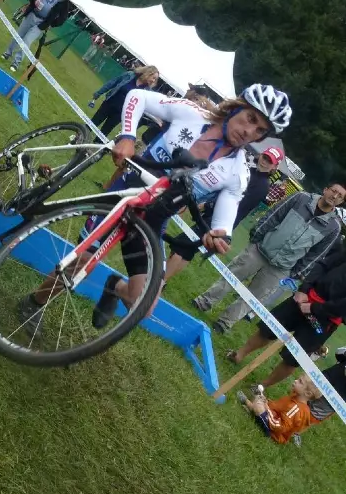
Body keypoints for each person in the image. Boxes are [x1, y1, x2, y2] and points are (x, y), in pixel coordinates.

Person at [17, 85, 292, 332]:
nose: (249, 131)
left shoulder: (238, 171)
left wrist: (219, 233)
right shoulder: (192, 113)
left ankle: (116, 288)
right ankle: (33, 303)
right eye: (250, 118)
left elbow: (228, 206)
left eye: (259, 131)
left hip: (152, 221)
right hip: (125, 194)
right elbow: (138, 97)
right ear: (237, 107)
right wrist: (127, 135)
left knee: (144, 307)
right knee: (83, 260)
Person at [192, 182, 344, 333]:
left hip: (281, 269)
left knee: (253, 297)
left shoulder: (333, 227)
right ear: (325, 189)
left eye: (340, 196)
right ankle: (203, 302)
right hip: (260, 250)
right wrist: (257, 234)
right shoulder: (301, 198)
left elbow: (316, 254)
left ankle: (224, 323)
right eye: (333, 191)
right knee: (230, 277)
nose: (334, 196)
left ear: (341, 202)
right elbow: (274, 214)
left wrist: (296, 273)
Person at [227, 241, 346, 390]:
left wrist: (314, 308)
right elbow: (323, 265)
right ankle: (239, 354)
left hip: (324, 319)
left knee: (294, 358)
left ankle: (261, 386)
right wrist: (304, 289)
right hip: (304, 298)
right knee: (268, 328)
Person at [165, 145, 286, 279]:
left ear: (274, 167)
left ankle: (158, 281)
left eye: (270, 161)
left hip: (221, 221)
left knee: (180, 247)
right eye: (265, 157)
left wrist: (206, 205)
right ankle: (162, 282)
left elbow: (237, 205)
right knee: (188, 251)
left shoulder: (262, 186)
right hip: (216, 216)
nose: (264, 161)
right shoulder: (248, 171)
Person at [1, 0, 74, 72]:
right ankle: (7, 53)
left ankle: (16, 63)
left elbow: (63, 18)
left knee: (27, 41)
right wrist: (35, 1)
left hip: (41, 24)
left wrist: (51, 24)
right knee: (18, 35)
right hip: (31, 15)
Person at [237, 375, 326, 445]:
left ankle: (248, 405)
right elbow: (278, 408)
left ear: (307, 393)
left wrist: (266, 409)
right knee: (260, 400)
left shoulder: (297, 409)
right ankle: (251, 408)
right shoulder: (295, 397)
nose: (295, 381)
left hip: (275, 432)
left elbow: (281, 427)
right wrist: (267, 403)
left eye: (300, 382)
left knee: (258, 405)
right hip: (274, 418)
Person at [87, 65, 160, 137]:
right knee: (92, 123)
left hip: (120, 114)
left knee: (104, 132)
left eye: (155, 79)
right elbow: (112, 82)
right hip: (109, 104)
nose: (153, 81)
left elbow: (145, 107)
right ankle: (79, 138)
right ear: (148, 73)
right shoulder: (129, 75)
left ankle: (91, 147)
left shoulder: (147, 91)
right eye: (153, 78)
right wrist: (99, 93)